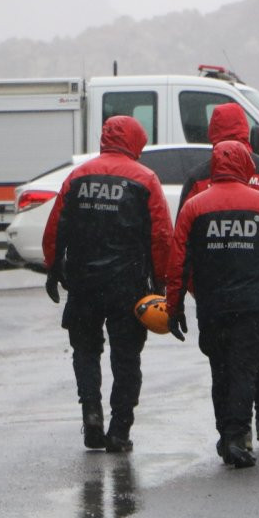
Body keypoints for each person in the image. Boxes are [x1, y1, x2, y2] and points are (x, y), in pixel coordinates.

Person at [166, 140, 259, 468]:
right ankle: (237, 436)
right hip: (255, 303)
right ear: (246, 166)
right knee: (243, 367)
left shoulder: (194, 207)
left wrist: (174, 308)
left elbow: (178, 261)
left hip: (213, 304)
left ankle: (227, 433)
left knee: (220, 369)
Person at [42, 115, 173, 453]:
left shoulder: (78, 176)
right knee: (126, 357)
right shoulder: (145, 179)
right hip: (127, 286)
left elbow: (56, 227)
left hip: (83, 283)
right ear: (134, 143)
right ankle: (120, 429)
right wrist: (162, 283)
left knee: (85, 351)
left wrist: (54, 269)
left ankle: (91, 413)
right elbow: (160, 236)